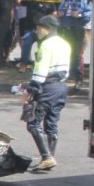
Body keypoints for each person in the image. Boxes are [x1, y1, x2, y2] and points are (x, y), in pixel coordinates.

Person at [24, 15, 70, 172]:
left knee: (33, 123)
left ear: (47, 29)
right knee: (51, 122)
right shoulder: (65, 44)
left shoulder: (46, 45)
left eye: (39, 28)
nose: (37, 31)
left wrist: (31, 90)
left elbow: (40, 71)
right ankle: (51, 156)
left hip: (48, 86)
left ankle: (47, 157)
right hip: (61, 87)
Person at [57, 0, 91, 88]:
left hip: (76, 30)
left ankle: (78, 80)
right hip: (64, 29)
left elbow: (88, 14)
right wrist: (60, 13)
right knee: (64, 54)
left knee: (76, 55)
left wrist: (79, 15)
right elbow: (60, 10)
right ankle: (64, 76)